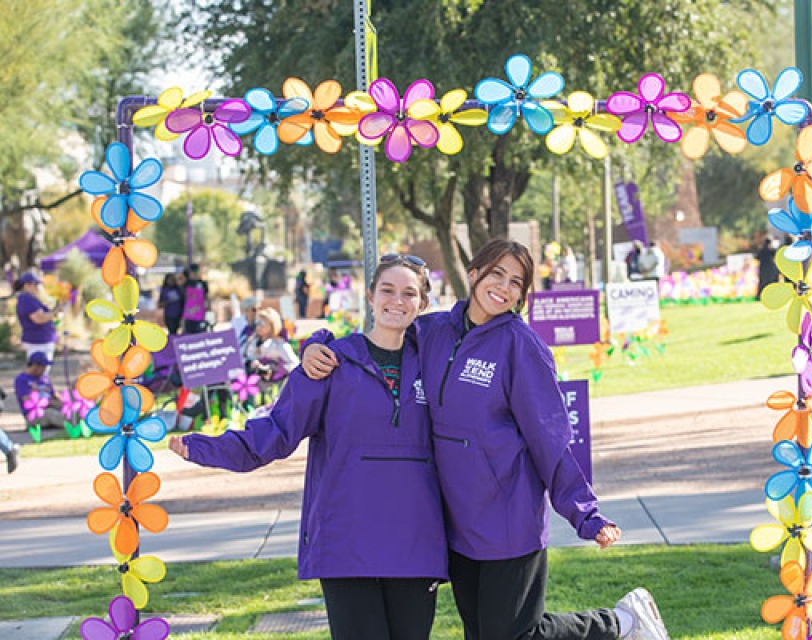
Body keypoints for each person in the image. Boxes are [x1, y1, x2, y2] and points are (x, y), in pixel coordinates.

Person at [302, 240, 669, 640]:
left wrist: (584, 512)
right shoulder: (431, 331)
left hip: (508, 520)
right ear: (474, 274)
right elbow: (378, 338)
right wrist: (315, 344)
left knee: (515, 634)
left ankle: (621, 623)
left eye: (517, 282)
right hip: (457, 525)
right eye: (497, 273)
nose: (505, 287)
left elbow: (550, 437)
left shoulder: (521, 346)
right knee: (482, 633)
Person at [169, 254, 446, 639]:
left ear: (423, 304)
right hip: (347, 539)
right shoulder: (330, 363)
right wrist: (205, 448)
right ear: (370, 295)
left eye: (409, 293)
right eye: (387, 290)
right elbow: (275, 434)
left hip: (416, 540)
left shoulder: (437, 364)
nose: (396, 301)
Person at [242, 307, 299, 382]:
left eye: (262, 323)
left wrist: (276, 367)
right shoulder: (252, 341)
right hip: (254, 379)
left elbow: (294, 363)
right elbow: (246, 357)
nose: (258, 326)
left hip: (274, 381)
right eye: (257, 323)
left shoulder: (279, 344)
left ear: (272, 325)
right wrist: (251, 362)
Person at [14, 351, 65, 429]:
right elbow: (27, 400)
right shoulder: (22, 380)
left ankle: (80, 421)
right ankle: (73, 425)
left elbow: (56, 396)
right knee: (50, 413)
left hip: (53, 408)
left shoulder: (44, 379)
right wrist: (49, 403)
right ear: (35, 366)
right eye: (43, 366)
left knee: (70, 410)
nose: (45, 369)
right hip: (35, 414)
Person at [15, 272, 59, 361]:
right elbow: (39, 318)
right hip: (38, 342)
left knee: (41, 371)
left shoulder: (30, 299)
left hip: (40, 340)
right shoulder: (27, 299)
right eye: (36, 284)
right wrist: (55, 312)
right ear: (27, 285)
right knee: (38, 371)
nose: (38, 287)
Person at [181, 264, 210, 334]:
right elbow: (183, 298)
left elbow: (206, 297)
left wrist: (208, 308)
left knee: (200, 332)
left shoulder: (203, 283)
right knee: (188, 332)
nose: (194, 274)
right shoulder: (186, 284)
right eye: (192, 272)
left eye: (196, 272)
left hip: (200, 313)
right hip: (188, 314)